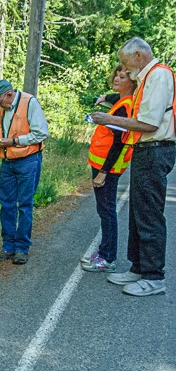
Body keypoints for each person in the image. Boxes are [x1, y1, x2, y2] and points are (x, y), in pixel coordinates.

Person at [92, 37, 176, 296]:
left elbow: (149, 123)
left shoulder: (158, 76)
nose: (124, 69)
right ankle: (138, 267)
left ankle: (154, 276)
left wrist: (109, 119)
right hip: (144, 150)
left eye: (125, 62)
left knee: (149, 214)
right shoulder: (145, 78)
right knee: (137, 213)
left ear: (139, 55)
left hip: (155, 149)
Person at [0, 80, 49, 265]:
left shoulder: (30, 103)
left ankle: (22, 248)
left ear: (8, 94)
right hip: (7, 161)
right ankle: (8, 247)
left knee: (24, 205)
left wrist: (12, 142)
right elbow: (4, 129)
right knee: (6, 205)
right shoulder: (3, 107)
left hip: (28, 161)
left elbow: (41, 133)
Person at [82, 65, 137, 273]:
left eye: (123, 77)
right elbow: (116, 98)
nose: (117, 78)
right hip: (103, 165)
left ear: (132, 82)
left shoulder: (125, 107)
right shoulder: (123, 101)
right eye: (116, 74)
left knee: (106, 212)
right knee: (104, 210)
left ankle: (108, 258)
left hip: (107, 168)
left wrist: (103, 172)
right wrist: (105, 96)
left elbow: (118, 143)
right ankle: (105, 251)